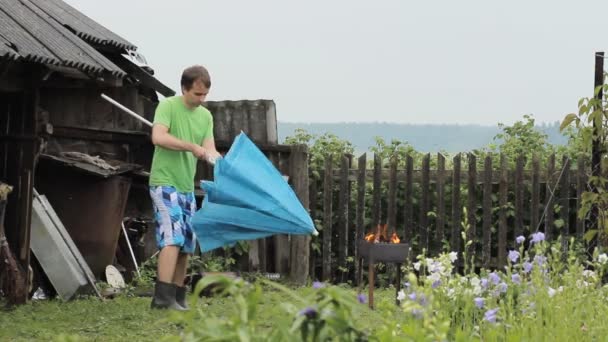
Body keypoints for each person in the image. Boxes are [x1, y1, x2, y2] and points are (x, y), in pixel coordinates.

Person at [148, 65, 221, 310]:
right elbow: (158, 137)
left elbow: (209, 148)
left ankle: (178, 297)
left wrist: (217, 159)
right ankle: (162, 299)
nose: (201, 100)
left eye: (204, 95)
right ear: (184, 88)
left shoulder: (205, 116)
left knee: (188, 242)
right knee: (172, 238)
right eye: (196, 94)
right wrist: (191, 147)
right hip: (164, 183)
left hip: (186, 186)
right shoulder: (168, 106)